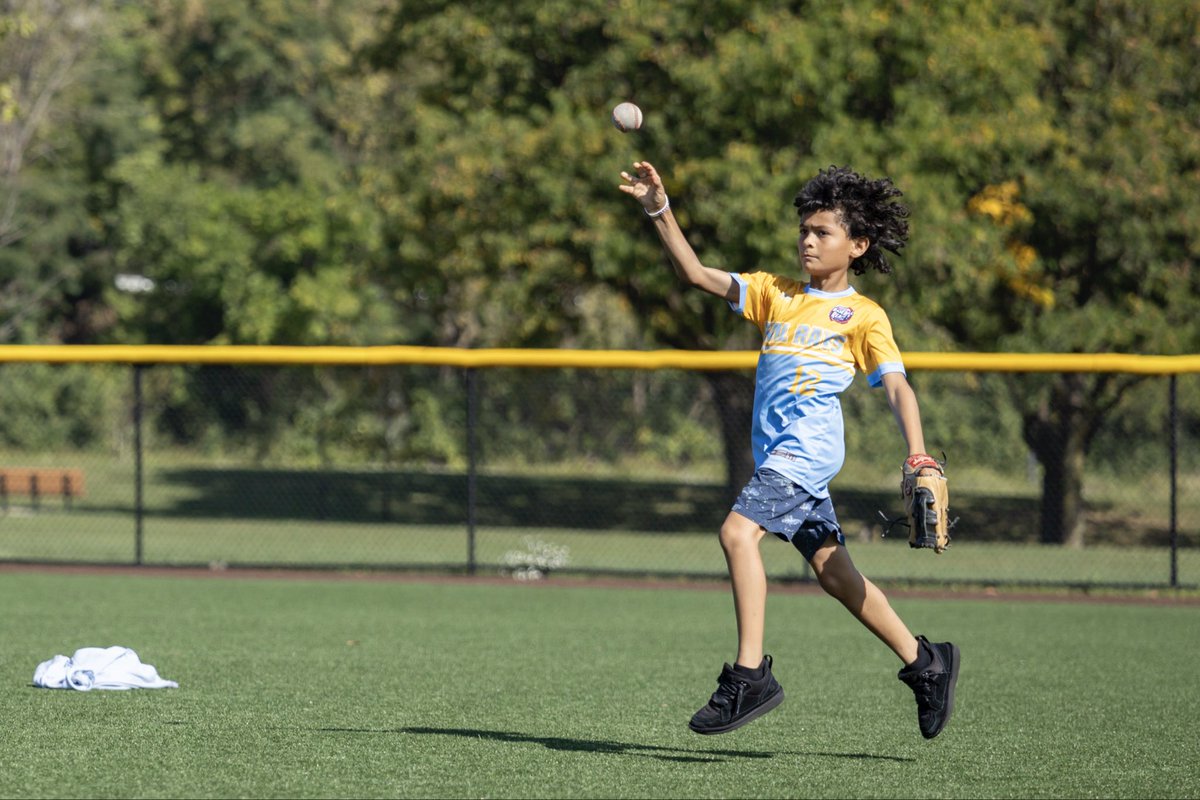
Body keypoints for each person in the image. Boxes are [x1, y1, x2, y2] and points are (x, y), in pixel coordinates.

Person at [618, 160, 961, 740]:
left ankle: (750, 675)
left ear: (857, 244)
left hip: (805, 454)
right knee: (834, 573)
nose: (807, 239)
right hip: (782, 457)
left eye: (822, 232)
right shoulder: (775, 294)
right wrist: (659, 208)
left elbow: (897, 384)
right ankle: (926, 663)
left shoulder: (864, 316)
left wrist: (919, 453)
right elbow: (698, 274)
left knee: (735, 534)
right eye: (804, 229)